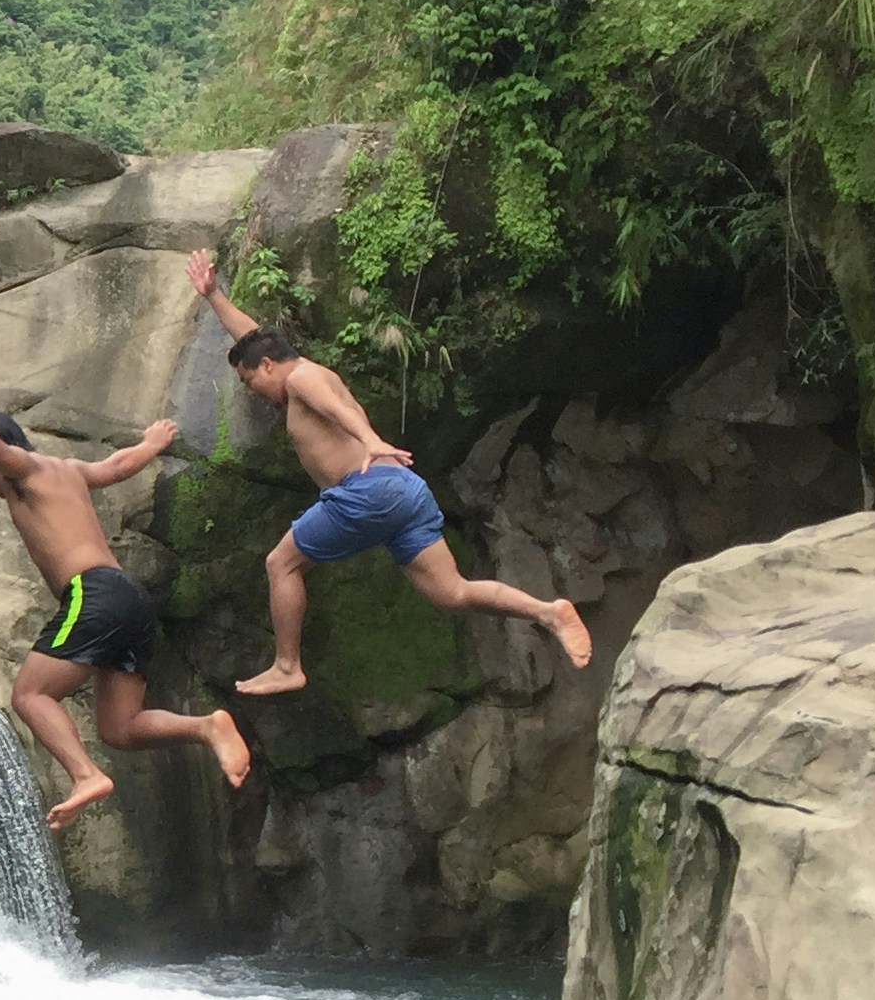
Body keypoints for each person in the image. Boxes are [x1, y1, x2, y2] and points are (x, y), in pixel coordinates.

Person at [183, 250, 592, 695]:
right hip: (404, 491)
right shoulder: (293, 369)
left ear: (267, 367)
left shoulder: (302, 379)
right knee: (451, 594)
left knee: (281, 563)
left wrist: (370, 438)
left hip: (368, 488)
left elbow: (336, 409)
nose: (254, 391)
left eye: (249, 381)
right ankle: (548, 612)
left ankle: (287, 666)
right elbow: (254, 341)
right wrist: (212, 295)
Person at [0, 335, 252, 828]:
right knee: (121, 727)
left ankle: (85, 774)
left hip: (94, 594)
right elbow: (114, 467)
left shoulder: (22, 470)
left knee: (30, 695)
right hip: (129, 600)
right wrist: (151, 445)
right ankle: (207, 726)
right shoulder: (64, 469)